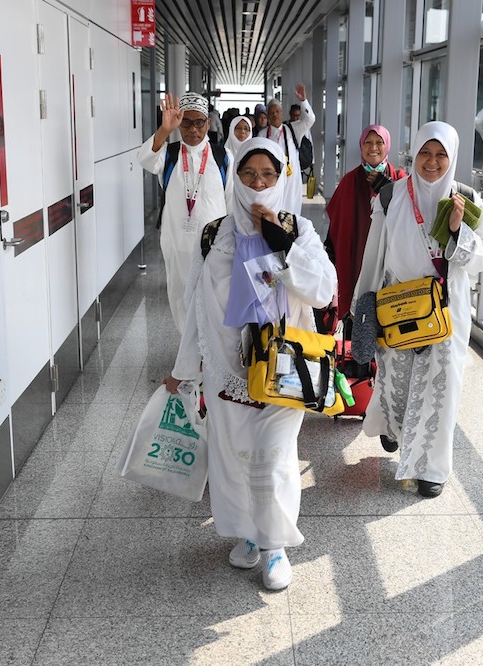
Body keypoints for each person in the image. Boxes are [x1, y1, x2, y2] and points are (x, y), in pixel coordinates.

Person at [163, 138, 336, 590]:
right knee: (232, 459)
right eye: (249, 174)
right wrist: (185, 370)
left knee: (274, 458)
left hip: (284, 367)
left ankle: (274, 544)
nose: (259, 184)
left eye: (268, 175)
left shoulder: (298, 228)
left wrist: (281, 243)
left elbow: (324, 289)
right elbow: (196, 306)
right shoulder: (214, 234)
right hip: (226, 371)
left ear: (282, 179)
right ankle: (247, 533)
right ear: (235, 177)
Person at [352, 121, 483, 498]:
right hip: (398, 306)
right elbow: (374, 253)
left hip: (445, 311)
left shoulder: (464, 199)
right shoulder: (391, 196)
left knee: (442, 388)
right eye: (425, 153)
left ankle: (432, 469)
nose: (432, 162)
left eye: (441, 155)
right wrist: (361, 305)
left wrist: (457, 232)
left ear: (452, 158)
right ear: (413, 153)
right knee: (397, 381)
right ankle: (394, 429)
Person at [138, 92, 233, 331]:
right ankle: (188, 356)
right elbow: (144, 159)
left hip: (215, 246)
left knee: (214, 299)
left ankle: (208, 356)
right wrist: (164, 130)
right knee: (180, 299)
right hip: (177, 243)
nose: (193, 128)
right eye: (186, 122)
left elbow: (231, 201)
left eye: (199, 121)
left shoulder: (223, 157)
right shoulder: (169, 154)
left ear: (208, 123)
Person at [325, 124, 407, 319]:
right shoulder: (349, 181)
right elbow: (336, 222)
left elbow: (408, 214)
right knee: (357, 312)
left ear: (387, 146)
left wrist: (390, 189)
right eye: (368, 143)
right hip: (358, 255)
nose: (373, 148)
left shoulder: (399, 179)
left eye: (379, 142)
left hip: (389, 255)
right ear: (361, 147)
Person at [255, 85, 315, 214]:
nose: (274, 115)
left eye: (277, 112)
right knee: (272, 211)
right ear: (268, 117)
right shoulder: (262, 135)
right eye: (271, 113)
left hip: (291, 179)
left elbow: (310, 119)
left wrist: (303, 101)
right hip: (270, 180)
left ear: (282, 114)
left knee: (291, 211)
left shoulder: (293, 129)